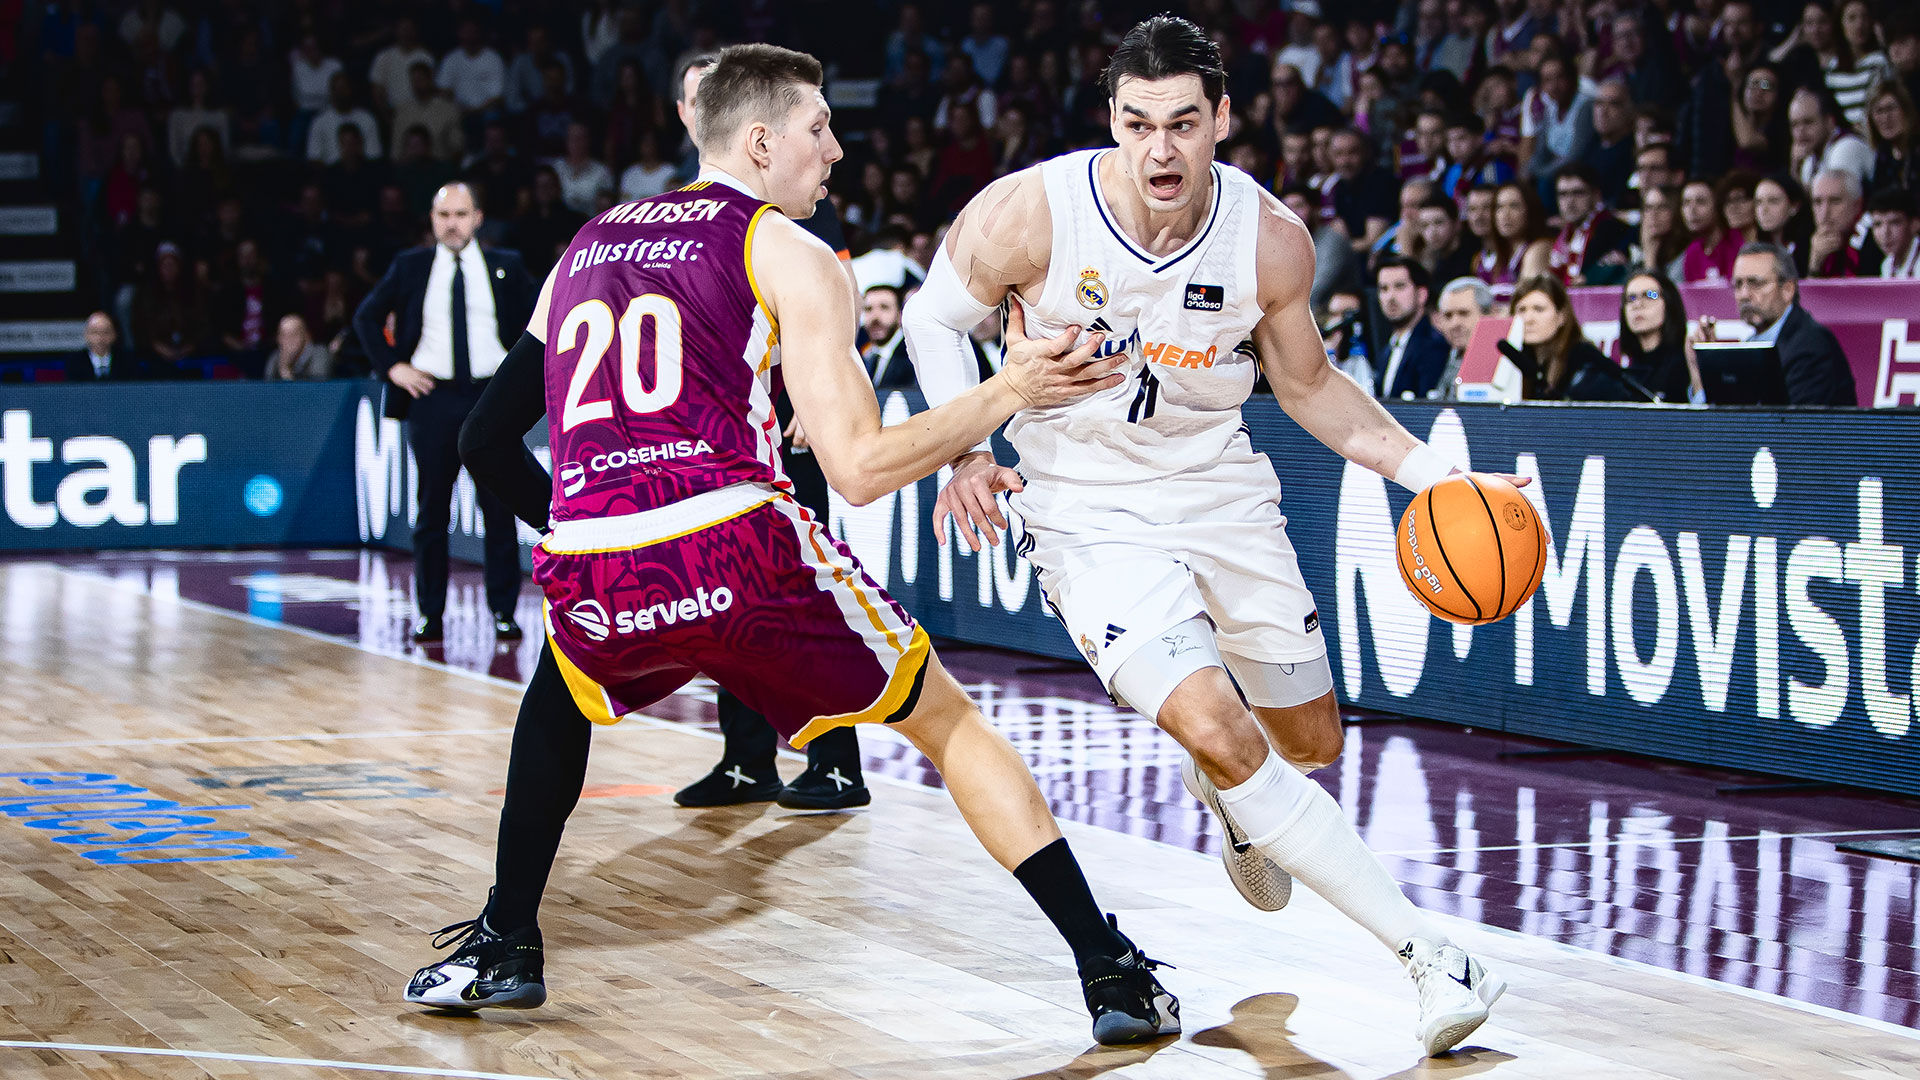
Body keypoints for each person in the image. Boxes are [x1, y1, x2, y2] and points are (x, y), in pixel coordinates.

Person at [411, 43, 1181, 1047]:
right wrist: (1007, 394)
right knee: (948, 724)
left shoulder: (584, 242)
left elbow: (492, 431)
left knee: (557, 697)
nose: (839, 149)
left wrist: (577, 528)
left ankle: (506, 938)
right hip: (733, 544)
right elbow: (858, 467)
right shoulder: (788, 252)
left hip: (598, 558)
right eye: (820, 128)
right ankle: (1108, 968)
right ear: (763, 140)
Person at [907, 17, 1510, 1057]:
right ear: (1112, 121)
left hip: (1222, 493)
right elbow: (931, 319)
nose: (1161, 150)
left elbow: (1312, 386)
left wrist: (1436, 478)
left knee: (1309, 743)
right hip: (1087, 512)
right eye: (1139, 124)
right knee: (1223, 732)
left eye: (1184, 122)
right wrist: (965, 453)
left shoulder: (1269, 238)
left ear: (1222, 119)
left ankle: (1236, 804)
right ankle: (1431, 959)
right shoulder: (1033, 214)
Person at [664, 51, 873, 815]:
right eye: (689, 98)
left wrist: (808, 402)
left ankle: (839, 762)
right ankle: (748, 760)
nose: (697, 107)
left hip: (791, 427)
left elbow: (839, 313)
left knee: (807, 601)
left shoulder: (804, 203)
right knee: (732, 608)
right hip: (723, 448)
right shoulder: (679, 212)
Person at [351, 183, 534, 644]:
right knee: (431, 510)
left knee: (498, 508)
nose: (452, 223)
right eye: (443, 214)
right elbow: (365, 318)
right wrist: (393, 368)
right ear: (431, 220)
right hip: (432, 398)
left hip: (490, 398)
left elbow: (539, 323)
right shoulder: (410, 266)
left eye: (461, 213)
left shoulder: (505, 267)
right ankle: (430, 613)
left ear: (478, 218)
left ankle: (504, 612)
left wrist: (520, 382)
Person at [1719, 242, 1859, 404]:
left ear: (1787, 289)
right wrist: (1697, 373)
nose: (1744, 295)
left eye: (1755, 283)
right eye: (1738, 284)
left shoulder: (1810, 346)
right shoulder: (1753, 344)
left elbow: (1795, 424)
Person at [1507, 274, 1647, 401]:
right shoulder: (1515, 361)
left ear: (1562, 316)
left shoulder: (1585, 361)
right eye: (1521, 310)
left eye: (1539, 309)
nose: (1528, 319)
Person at [1372, 256, 1450, 400]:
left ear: (1421, 294)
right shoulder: (1387, 347)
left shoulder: (1434, 345)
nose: (1390, 297)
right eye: (1384, 289)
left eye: (1399, 286)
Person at [1547, 164, 1632, 285]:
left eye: (1578, 193)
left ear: (1596, 195)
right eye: (1563, 194)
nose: (1570, 201)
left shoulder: (1612, 230)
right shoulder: (1563, 233)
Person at [1617, 269, 1694, 402]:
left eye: (1649, 295)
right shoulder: (1628, 375)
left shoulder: (1684, 367)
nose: (1637, 304)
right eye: (1631, 298)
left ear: (1669, 303)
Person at [1431, 277, 1493, 400]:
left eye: (1463, 313)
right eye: (1448, 315)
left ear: (1488, 315)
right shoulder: (1438, 356)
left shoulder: (1500, 364)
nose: (1455, 323)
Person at [64, 311, 141, 382]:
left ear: (114, 335)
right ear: (86, 335)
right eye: (94, 332)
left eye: (105, 332)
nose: (100, 338)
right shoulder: (74, 362)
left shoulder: (127, 361)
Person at [263, 314, 335, 381]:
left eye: (293, 334)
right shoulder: (275, 357)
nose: (288, 340)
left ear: (306, 336)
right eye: (283, 335)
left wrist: (285, 371)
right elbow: (267, 389)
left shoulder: (320, 353)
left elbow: (316, 389)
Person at [1870, 186, 1920, 277]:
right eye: (1878, 224)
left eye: (1894, 223)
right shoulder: (1887, 264)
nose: (1885, 233)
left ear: (1915, 224)